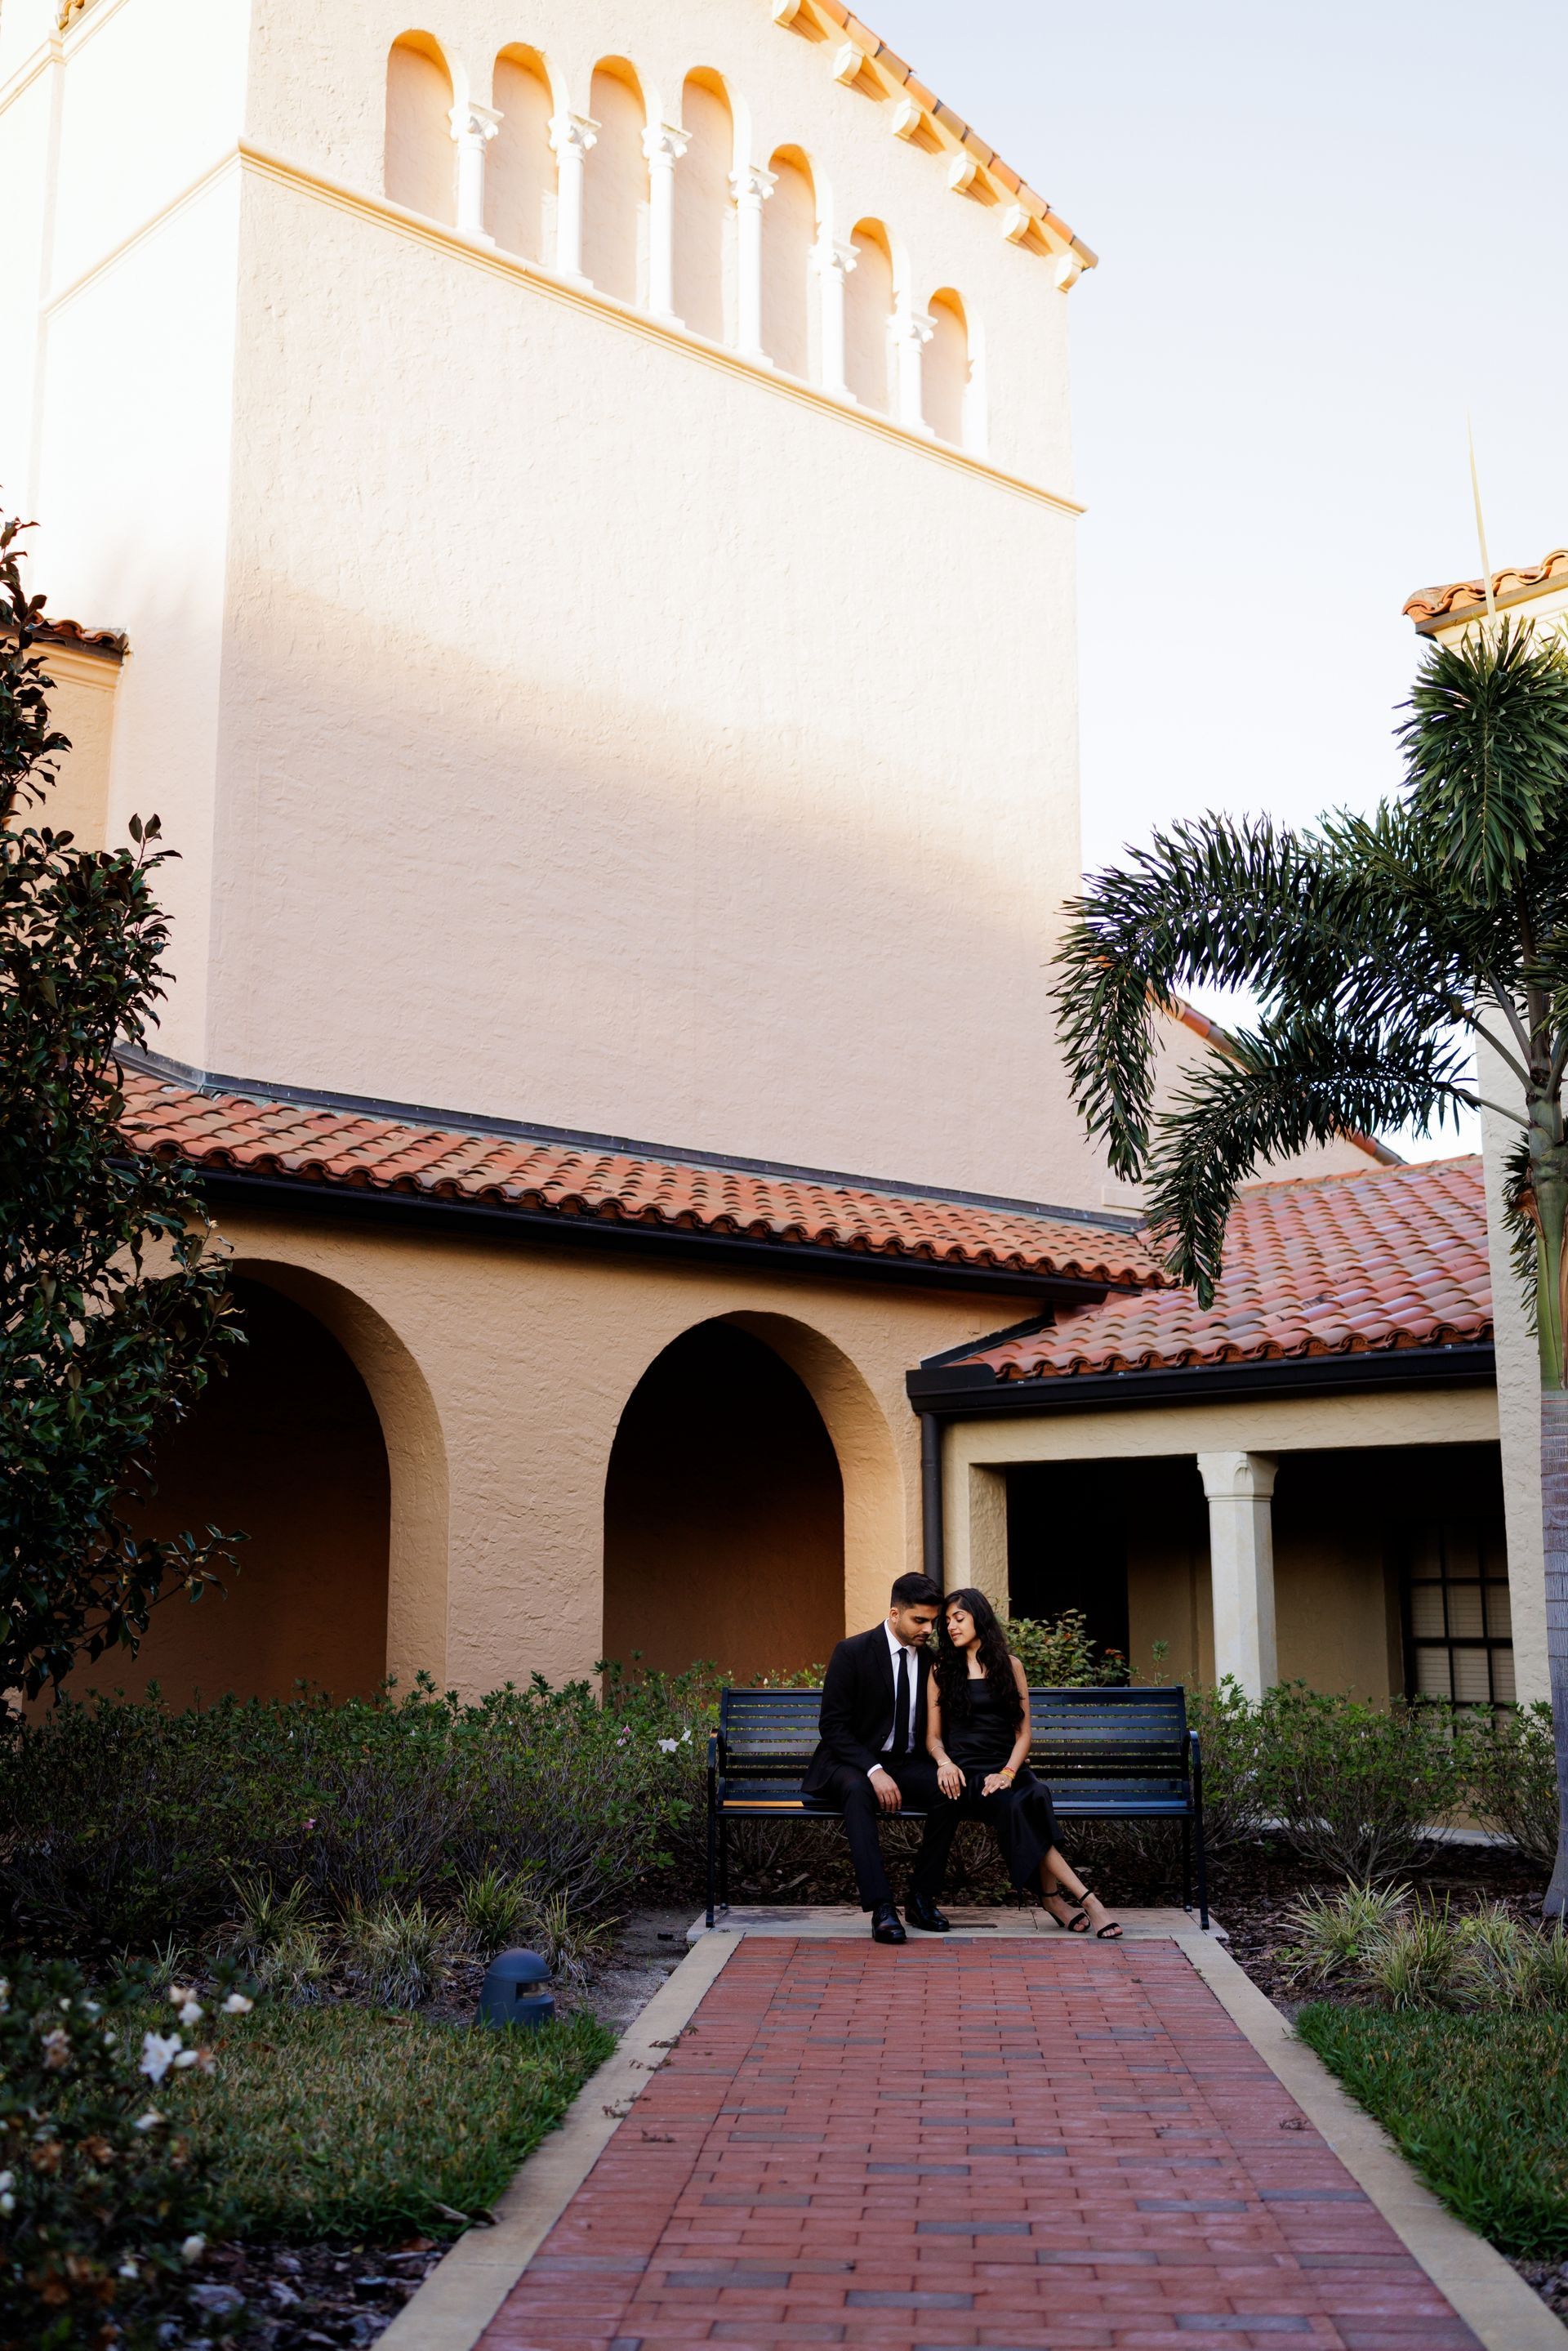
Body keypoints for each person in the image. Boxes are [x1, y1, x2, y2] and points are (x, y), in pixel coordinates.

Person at [923, 1587, 1122, 1939]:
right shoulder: (941, 1669)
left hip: (1007, 1767)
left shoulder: (1010, 1666)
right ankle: (1087, 1900)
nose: (951, 1626)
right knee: (1017, 1805)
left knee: (1036, 1794)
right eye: (948, 1621)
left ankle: (1051, 1898)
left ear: (979, 1618)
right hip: (970, 1773)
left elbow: (1024, 1734)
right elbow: (933, 1737)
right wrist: (944, 1763)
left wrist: (1008, 1772)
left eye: (959, 1618)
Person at [803, 1572, 956, 1943]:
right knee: (858, 1790)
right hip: (850, 1763)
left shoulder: (932, 1660)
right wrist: (873, 1769)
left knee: (949, 1791)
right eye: (919, 1620)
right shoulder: (852, 1652)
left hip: (906, 1763)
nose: (928, 1629)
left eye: (933, 1621)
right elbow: (832, 1726)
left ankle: (921, 1898)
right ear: (894, 1613)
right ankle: (882, 1907)